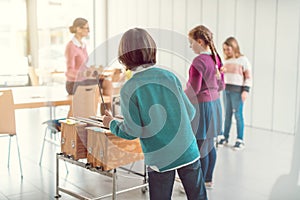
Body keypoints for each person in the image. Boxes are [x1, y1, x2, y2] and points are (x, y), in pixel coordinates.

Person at [103, 28, 207, 200]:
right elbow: (190, 112)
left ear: (124, 55)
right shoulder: (169, 76)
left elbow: (132, 131)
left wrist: (111, 123)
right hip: (189, 151)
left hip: (160, 159)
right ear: (152, 49)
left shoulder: (129, 88)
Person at [184, 25, 225, 189]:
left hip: (203, 107)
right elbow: (221, 86)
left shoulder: (199, 61)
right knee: (209, 144)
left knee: (200, 145)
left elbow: (194, 89)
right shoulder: (216, 58)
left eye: (191, 42)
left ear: (199, 41)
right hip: (215, 105)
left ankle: (198, 183)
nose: (190, 46)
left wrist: (180, 96)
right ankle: (208, 180)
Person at [218, 37, 252, 150]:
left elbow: (248, 77)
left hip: (238, 92)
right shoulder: (226, 61)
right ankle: (225, 137)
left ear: (234, 47)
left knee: (238, 115)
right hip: (226, 90)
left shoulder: (243, 60)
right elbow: (224, 76)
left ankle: (239, 139)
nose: (226, 51)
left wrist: (245, 91)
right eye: (224, 49)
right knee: (227, 115)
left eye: (228, 49)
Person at [65, 17, 95, 95]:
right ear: (78, 29)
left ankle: (105, 107)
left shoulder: (83, 45)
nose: (89, 31)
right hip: (73, 84)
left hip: (83, 81)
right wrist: (84, 74)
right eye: (87, 28)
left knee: (106, 83)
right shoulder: (71, 46)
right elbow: (70, 71)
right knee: (101, 86)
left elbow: (85, 66)